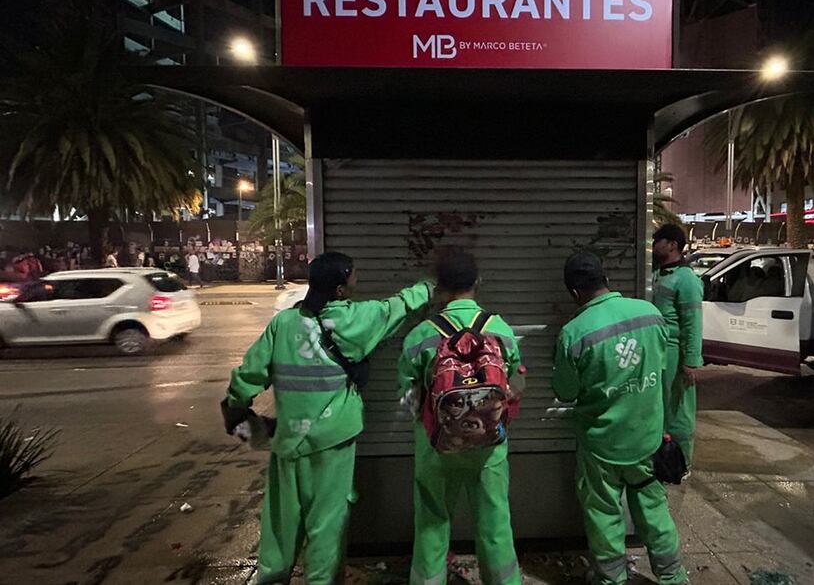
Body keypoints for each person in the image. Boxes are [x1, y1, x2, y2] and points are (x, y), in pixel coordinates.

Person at [222, 251, 434, 585]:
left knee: (281, 520)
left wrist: (235, 405)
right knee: (326, 520)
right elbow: (400, 305)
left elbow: (249, 374)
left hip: (288, 439)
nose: (356, 280)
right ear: (339, 289)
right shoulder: (356, 319)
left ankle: (271, 578)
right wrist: (432, 283)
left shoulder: (283, 323)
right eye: (353, 276)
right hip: (332, 441)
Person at [552, 252, 688, 585]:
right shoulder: (650, 314)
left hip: (602, 446)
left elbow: (566, 392)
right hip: (647, 439)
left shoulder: (574, 333)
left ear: (574, 293)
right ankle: (673, 576)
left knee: (603, 514)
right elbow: (659, 367)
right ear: (606, 280)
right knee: (654, 509)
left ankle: (610, 578)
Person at [398, 251, 523, 585]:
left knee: (432, 523)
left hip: (435, 448)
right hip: (489, 447)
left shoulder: (420, 335)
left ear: (439, 287)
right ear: (477, 283)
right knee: (495, 522)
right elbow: (516, 385)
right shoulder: (501, 330)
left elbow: (408, 396)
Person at [651, 224, 703, 468]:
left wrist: (691, 360)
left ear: (672, 245)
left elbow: (693, 322)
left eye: (659, 240)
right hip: (657, 351)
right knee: (660, 403)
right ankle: (663, 455)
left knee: (678, 406)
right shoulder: (658, 274)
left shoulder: (686, 279)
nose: (653, 245)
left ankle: (682, 462)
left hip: (674, 351)